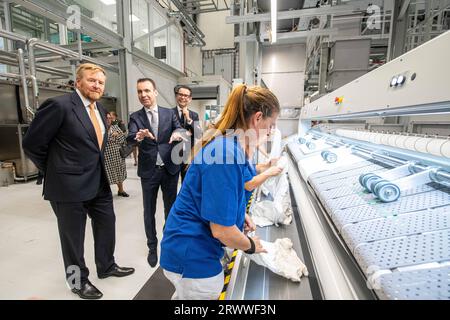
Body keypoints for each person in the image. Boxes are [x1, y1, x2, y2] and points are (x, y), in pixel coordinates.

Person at [22, 63, 134, 300]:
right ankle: (77, 281)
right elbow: (32, 143)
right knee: (72, 238)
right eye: (92, 80)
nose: (97, 85)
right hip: (67, 186)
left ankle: (106, 266)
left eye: (101, 82)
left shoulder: (101, 110)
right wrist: (55, 170)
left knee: (107, 223)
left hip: (98, 182)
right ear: (78, 82)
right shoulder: (59, 106)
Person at [160, 84, 280, 300]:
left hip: (191, 249)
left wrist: (239, 213)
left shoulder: (231, 147)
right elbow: (222, 231)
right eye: (270, 125)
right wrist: (252, 245)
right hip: (192, 257)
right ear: (258, 118)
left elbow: (220, 194)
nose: (271, 132)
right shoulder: (226, 154)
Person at [127, 78, 185, 268]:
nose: (143, 95)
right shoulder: (135, 116)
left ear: (155, 92)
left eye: (147, 91)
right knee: (149, 211)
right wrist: (138, 136)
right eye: (139, 92)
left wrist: (178, 133)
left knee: (171, 209)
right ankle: (152, 247)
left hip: (170, 169)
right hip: (149, 171)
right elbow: (131, 135)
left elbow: (179, 127)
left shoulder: (169, 113)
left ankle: (168, 242)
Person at [172, 85, 202, 182]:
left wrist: (189, 119)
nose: (183, 97)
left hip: (188, 156)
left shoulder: (194, 115)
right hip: (172, 155)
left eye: (186, 95)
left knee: (187, 184)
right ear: (176, 96)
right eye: (180, 94)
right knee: (171, 186)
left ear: (190, 99)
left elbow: (198, 134)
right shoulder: (169, 113)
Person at [104, 112, 129, 197]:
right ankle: (107, 192)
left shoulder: (115, 127)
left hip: (117, 154)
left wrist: (117, 135)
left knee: (119, 171)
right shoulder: (100, 128)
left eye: (110, 118)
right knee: (107, 173)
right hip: (106, 155)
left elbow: (123, 139)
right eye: (107, 118)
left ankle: (121, 190)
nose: (108, 120)